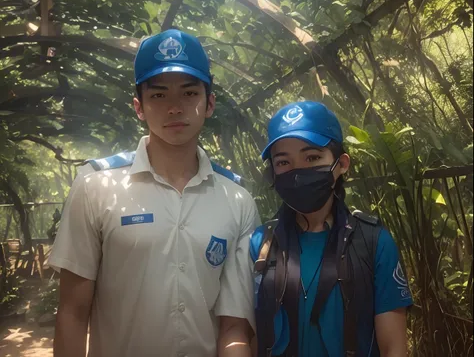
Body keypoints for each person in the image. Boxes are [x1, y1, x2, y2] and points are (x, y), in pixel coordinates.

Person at [48, 29, 260, 357]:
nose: (175, 107)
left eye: (190, 93)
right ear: (139, 107)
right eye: (159, 95)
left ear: (210, 103)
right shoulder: (96, 186)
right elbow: (73, 313)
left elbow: (234, 326)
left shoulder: (236, 200)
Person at [250, 101, 412, 357]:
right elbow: (246, 334)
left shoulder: (374, 242)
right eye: (283, 162)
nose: (298, 171)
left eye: (312, 157)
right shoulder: (259, 244)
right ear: (272, 172)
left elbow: (394, 347)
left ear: (342, 164)